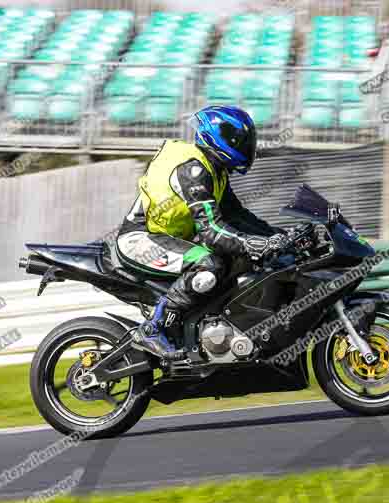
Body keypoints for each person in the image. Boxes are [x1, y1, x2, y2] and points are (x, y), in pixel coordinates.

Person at [111, 105, 291, 360]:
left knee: (237, 260)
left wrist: (279, 236)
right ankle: (153, 328)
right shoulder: (194, 170)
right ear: (217, 136)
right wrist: (256, 244)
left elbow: (237, 217)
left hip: (168, 239)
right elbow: (212, 230)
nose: (245, 146)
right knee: (209, 264)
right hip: (141, 239)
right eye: (238, 140)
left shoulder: (215, 172)